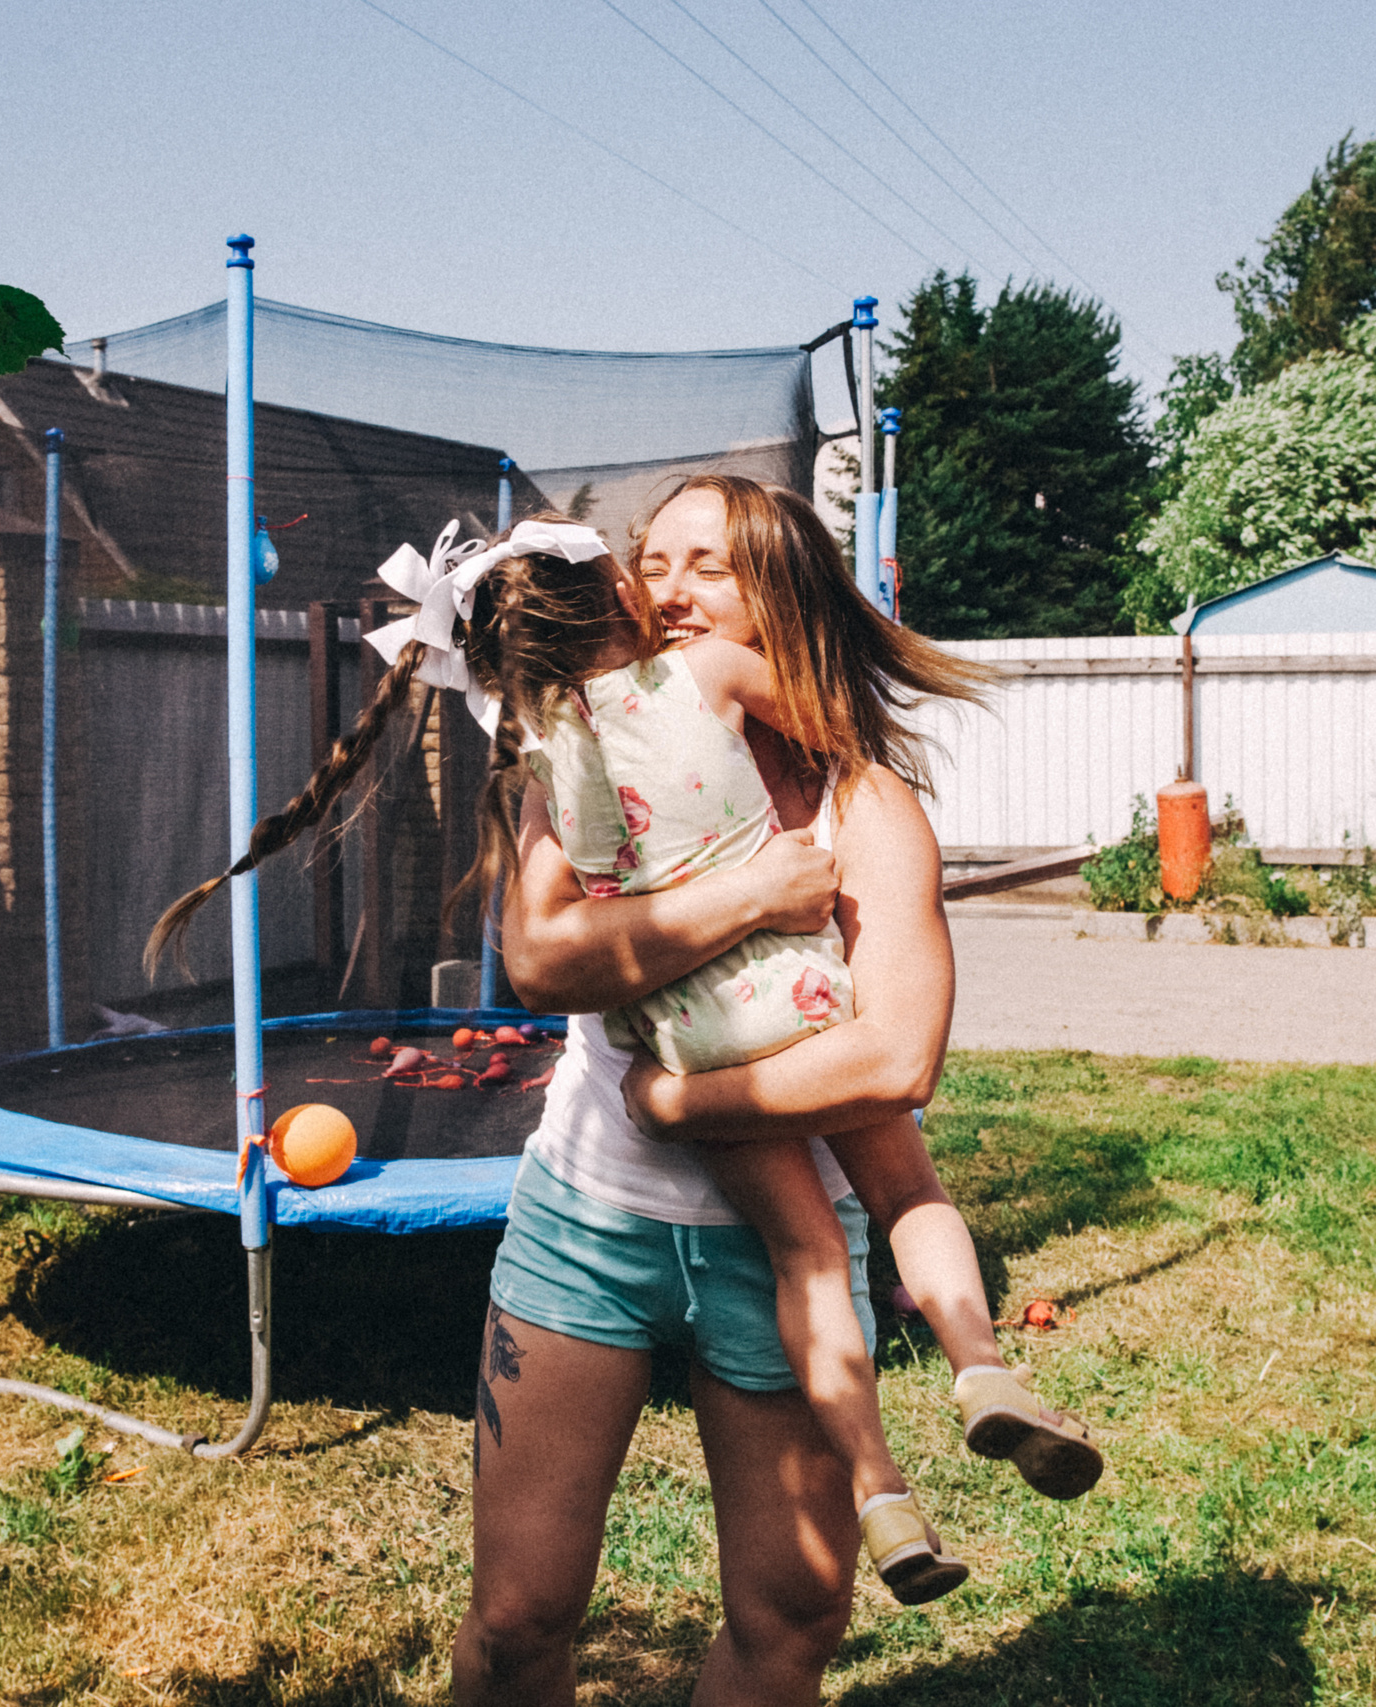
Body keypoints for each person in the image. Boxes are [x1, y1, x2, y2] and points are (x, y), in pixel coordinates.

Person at [457, 476, 1099, 1705]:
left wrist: (680, 1104)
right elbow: (539, 961)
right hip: (589, 1227)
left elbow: (893, 1063)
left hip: (779, 1243)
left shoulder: (866, 804)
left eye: (710, 564)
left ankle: (957, 1408)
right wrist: (752, 896)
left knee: (793, 1614)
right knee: (519, 1618)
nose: (669, 589)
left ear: (782, 595)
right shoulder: (582, 747)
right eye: (652, 562)